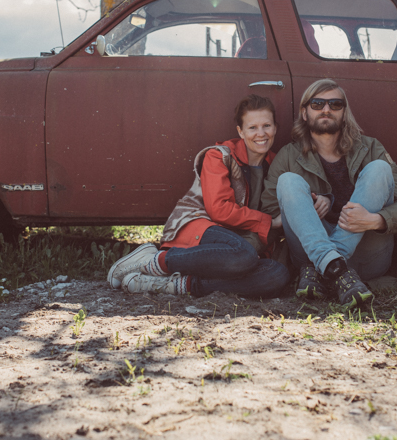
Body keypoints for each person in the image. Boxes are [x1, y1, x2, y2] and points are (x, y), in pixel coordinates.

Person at [107, 95, 290, 299]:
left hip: (236, 247)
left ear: (275, 128)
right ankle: (154, 260)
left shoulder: (277, 164)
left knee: (276, 275)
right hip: (201, 228)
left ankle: (176, 285)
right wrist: (270, 222)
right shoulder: (219, 156)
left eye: (267, 125)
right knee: (244, 255)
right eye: (252, 127)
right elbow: (219, 209)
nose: (261, 134)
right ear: (240, 131)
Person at [261, 78, 397, 308]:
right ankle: (337, 270)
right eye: (317, 104)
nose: (326, 109)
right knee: (288, 182)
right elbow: (272, 211)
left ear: (344, 113)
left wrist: (375, 220)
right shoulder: (288, 155)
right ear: (304, 113)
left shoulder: (371, 148)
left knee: (379, 169)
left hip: (366, 253)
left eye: (335, 104)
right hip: (310, 249)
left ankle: (329, 266)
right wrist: (310, 203)